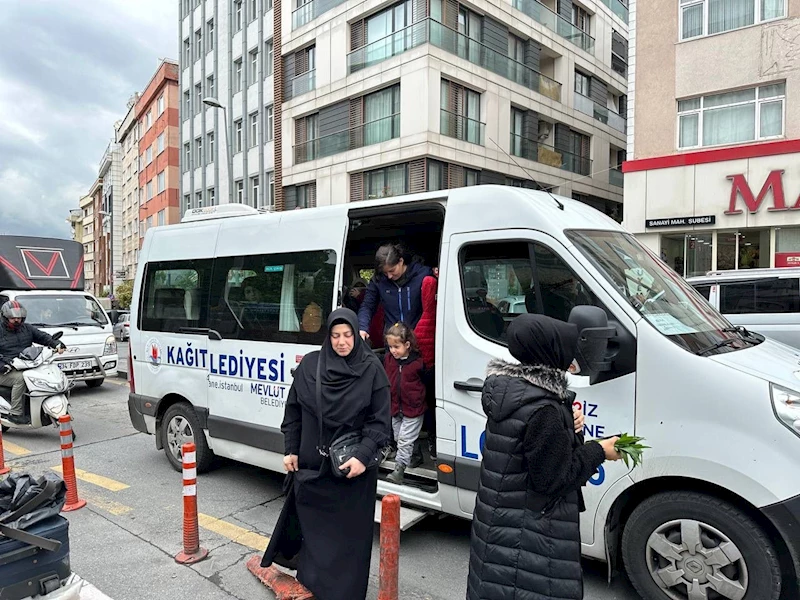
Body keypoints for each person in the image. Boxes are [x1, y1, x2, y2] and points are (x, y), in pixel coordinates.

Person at [466, 314, 621, 600]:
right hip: (531, 537)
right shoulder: (543, 409)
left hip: (501, 527)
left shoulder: (512, 393)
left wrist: (568, 426)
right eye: (566, 348)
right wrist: (601, 450)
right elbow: (554, 479)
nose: (572, 357)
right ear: (550, 352)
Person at [262, 308, 390, 600]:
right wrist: (290, 449)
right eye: (335, 335)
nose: (342, 342)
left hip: (352, 470)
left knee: (348, 539)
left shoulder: (372, 369)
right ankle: (311, 586)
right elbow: (293, 409)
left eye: (347, 335)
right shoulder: (310, 365)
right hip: (312, 465)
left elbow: (380, 422)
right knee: (315, 534)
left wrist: (362, 455)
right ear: (328, 336)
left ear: (356, 336)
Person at [0, 301, 66, 425]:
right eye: (13, 318)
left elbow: (42, 337)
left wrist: (56, 344)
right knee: (20, 379)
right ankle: (15, 413)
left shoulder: (26, 328)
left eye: (19, 318)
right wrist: (2, 365)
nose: (16, 320)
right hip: (5, 370)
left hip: (24, 364)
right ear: (5, 317)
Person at [357, 243, 432, 343]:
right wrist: (362, 327)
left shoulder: (423, 274)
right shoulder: (378, 281)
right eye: (385, 273)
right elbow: (367, 306)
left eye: (392, 270)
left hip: (419, 341)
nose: (389, 276)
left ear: (401, 261)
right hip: (392, 344)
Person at [383, 322, 427, 484]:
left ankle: (399, 470)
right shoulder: (388, 360)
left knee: (404, 439)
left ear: (407, 345)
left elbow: (425, 382)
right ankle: (415, 455)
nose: (393, 350)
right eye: (390, 347)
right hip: (395, 407)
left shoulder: (417, 363)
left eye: (396, 346)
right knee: (398, 436)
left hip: (413, 408)